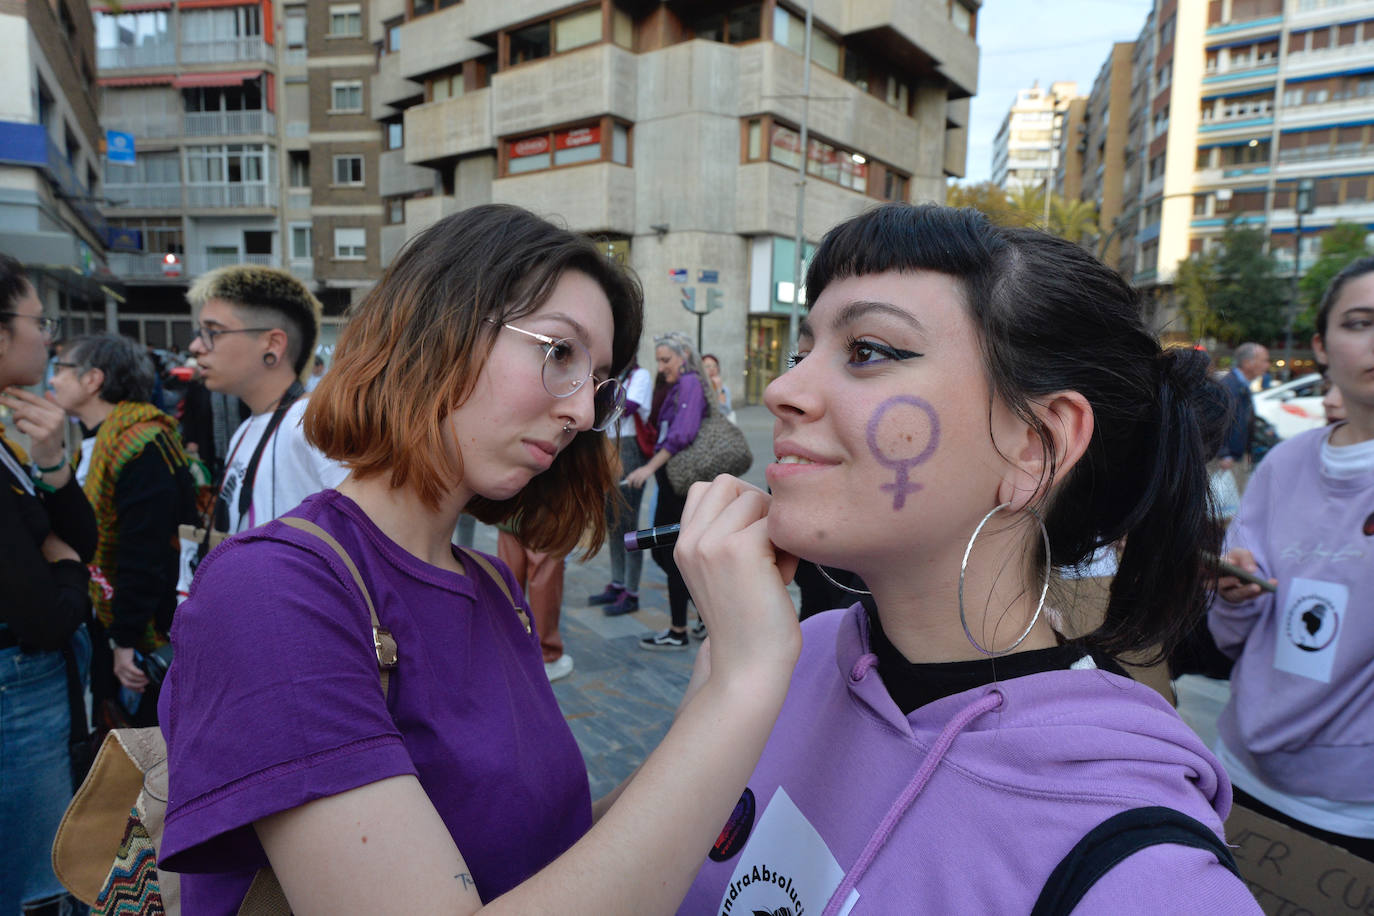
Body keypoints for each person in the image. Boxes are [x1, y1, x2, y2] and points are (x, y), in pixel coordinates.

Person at [158, 204, 803, 914]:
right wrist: (745, 689)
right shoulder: (270, 594)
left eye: (599, 380)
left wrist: (714, 683)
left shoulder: (494, 585)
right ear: (437, 330)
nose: (585, 414)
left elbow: (553, 858)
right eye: (560, 352)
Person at [675, 205, 1259, 913]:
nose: (782, 390)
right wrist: (720, 695)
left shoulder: (1145, 877)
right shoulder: (787, 656)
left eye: (868, 350)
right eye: (805, 351)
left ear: (1034, 446)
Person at [1209, 256, 1374, 862]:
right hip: (1242, 775)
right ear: (1321, 345)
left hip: (1357, 814)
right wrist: (1232, 594)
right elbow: (1233, 636)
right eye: (1360, 322)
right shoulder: (1285, 465)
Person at [0, 253, 98, 915]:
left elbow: (80, 540)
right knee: (44, 886)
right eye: (39, 322)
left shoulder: (17, 430)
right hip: (21, 705)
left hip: (38, 698)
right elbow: (41, 613)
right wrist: (66, 569)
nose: (48, 338)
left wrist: (55, 465)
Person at [48, 334, 196, 726]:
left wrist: (124, 640)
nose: (52, 379)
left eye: (60, 368)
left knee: (143, 748)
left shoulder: (142, 443)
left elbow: (146, 551)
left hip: (148, 633)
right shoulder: (97, 442)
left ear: (93, 379)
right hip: (106, 617)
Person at [186, 265, 345, 535]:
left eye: (212, 332)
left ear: (272, 344)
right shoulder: (246, 429)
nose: (195, 347)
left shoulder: (314, 423)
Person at [624, 331, 708, 649]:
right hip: (670, 481)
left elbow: (681, 434)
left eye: (666, 359)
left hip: (678, 483)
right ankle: (700, 613)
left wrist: (648, 467)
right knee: (664, 551)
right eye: (658, 360)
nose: (661, 366)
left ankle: (677, 630)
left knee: (670, 552)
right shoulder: (678, 385)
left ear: (683, 356)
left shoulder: (689, 383)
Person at [588, 358, 654, 616]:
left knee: (628, 522)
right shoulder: (615, 377)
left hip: (628, 448)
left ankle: (632, 591)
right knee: (612, 521)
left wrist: (597, 401)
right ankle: (617, 583)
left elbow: (625, 407)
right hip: (608, 446)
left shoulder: (641, 376)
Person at [496, 523, 574, 681]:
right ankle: (546, 655)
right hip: (545, 515)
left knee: (508, 580)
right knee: (544, 583)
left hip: (506, 512)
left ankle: (509, 650)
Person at [1216, 341, 1269, 493]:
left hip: (1234, 457)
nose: (1267, 365)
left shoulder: (1240, 384)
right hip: (1228, 460)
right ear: (1247, 363)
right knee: (1227, 508)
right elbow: (1218, 422)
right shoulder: (1230, 386)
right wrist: (1224, 454)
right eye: (1264, 360)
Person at [702, 352, 735, 423]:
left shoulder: (724, 389)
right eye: (707, 366)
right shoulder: (698, 388)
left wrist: (719, 389)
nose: (712, 369)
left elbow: (726, 411)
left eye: (715, 366)